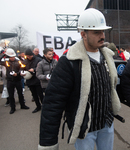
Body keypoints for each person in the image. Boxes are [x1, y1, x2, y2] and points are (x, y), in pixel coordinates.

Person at [38, 8, 121, 150]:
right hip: (84, 129)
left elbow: (112, 88)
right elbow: (53, 102)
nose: (102, 36)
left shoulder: (107, 56)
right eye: (96, 32)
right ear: (83, 34)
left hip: (107, 123)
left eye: (103, 31)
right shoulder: (69, 61)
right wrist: (48, 141)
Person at [0, 48, 29, 114]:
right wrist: (4, 54)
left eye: (13, 56)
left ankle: (23, 105)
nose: (12, 58)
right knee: (11, 95)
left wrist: (17, 74)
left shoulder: (18, 61)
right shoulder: (6, 62)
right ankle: (13, 108)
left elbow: (22, 68)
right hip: (10, 80)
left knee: (20, 93)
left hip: (17, 79)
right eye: (11, 57)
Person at [22, 49, 44, 113]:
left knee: (40, 94)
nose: (28, 57)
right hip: (29, 80)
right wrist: (22, 72)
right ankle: (38, 106)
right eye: (27, 56)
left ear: (31, 55)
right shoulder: (25, 61)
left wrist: (34, 69)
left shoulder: (38, 59)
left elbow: (41, 68)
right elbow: (22, 67)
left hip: (37, 80)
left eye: (29, 56)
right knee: (34, 95)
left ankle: (44, 106)